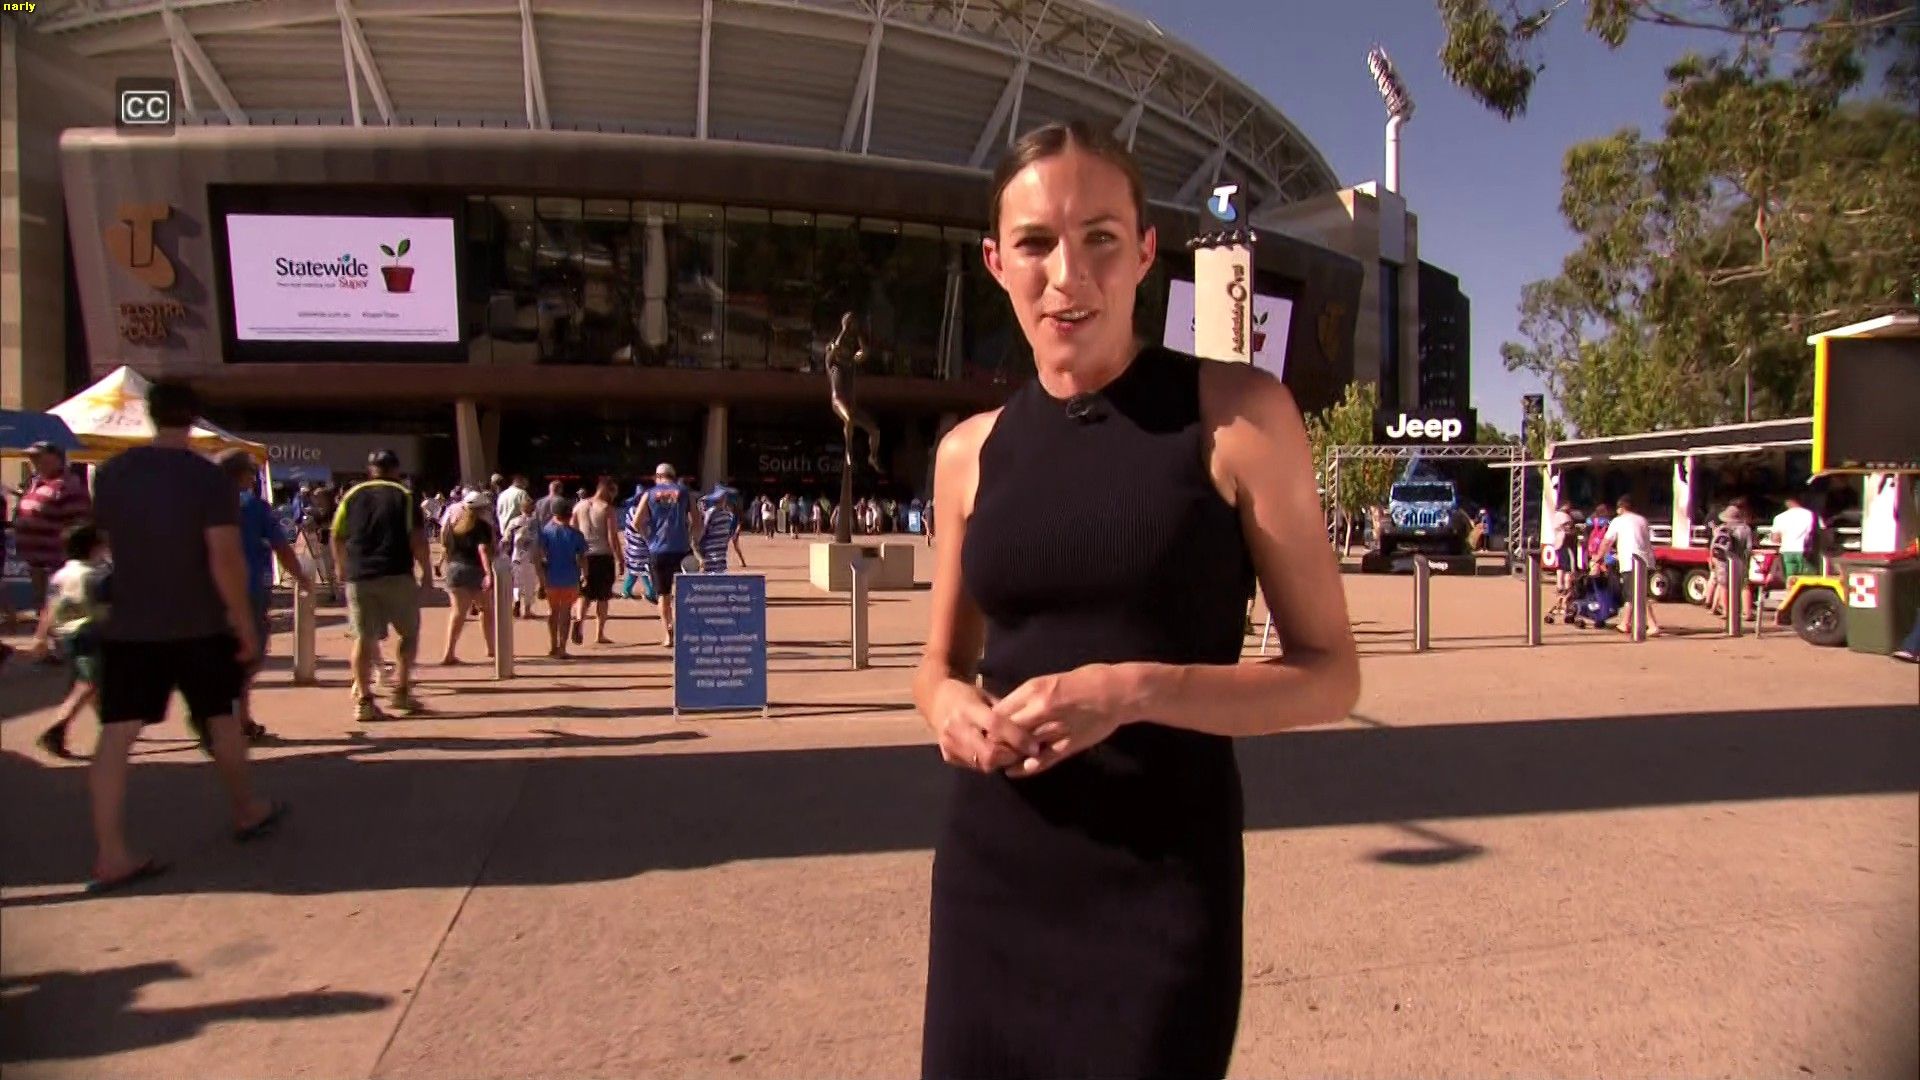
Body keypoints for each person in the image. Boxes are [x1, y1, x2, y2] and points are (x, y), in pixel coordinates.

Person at [912, 120, 1361, 1079]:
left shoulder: (1238, 418)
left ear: (1149, 253)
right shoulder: (968, 453)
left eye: (1101, 238)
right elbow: (938, 668)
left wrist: (1132, 691)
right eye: (1036, 243)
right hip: (991, 883)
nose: (1067, 275)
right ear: (996, 263)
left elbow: (1330, 677)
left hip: (1160, 894)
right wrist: (950, 710)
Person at [87, 379, 286, 894]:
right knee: (220, 719)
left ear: (150, 414)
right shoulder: (207, 478)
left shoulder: (111, 474)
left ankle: (110, 854)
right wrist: (243, 621)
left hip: (132, 622)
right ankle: (245, 809)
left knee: (116, 735)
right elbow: (224, 557)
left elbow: (108, 544)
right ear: (194, 418)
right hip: (199, 622)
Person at [218, 449, 313, 745]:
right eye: (251, 472)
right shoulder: (255, 507)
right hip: (249, 590)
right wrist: (301, 577)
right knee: (249, 655)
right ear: (242, 475)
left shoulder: (201, 506)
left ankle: (227, 718)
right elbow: (281, 547)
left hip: (212, 592)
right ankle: (238, 720)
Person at [332, 449, 433, 721]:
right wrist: (427, 573)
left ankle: (364, 700)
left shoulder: (351, 495)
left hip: (360, 575)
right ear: (396, 470)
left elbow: (337, 534)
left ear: (370, 470)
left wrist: (341, 567)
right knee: (408, 633)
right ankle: (402, 691)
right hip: (396, 572)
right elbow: (417, 538)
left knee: (363, 638)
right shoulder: (405, 496)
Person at [27, 523, 110, 760]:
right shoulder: (96, 577)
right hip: (92, 635)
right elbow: (107, 611)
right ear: (94, 548)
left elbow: (51, 607)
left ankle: (110, 722)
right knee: (88, 684)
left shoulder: (62, 574)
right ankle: (56, 729)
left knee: (88, 682)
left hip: (68, 636)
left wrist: (40, 636)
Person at [13, 441, 93, 621]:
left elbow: (79, 524)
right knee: (42, 607)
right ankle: (45, 634)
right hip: (35, 560)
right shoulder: (35, 482)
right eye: (32, 458)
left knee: (56, 608)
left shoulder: (68, 485)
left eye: (39, 457)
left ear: (56, 458)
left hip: (55, 561)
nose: (34, 461)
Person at [632, 463, 702, 647]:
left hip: (658, 550)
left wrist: (648, 539)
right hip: (682, 549)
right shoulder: (685, 492)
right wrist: (693, 539)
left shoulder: (649, 494)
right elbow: (697, 521)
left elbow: (636, 522)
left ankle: (668, 634)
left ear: (658, 476)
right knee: (685, 592)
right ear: (673, 475)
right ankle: (684, 629)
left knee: (663, 594)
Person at [437, 491, 497, 664]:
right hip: (475, 570)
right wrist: (488, 573)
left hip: (455, 569)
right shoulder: (482, 526)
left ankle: (449, 652)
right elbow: (483, 550)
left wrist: (442, 563)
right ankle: (491, 648)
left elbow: (445, 544)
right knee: (485, 609)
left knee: (457, 612)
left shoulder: (455, 524)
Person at [1593, 494, 1663, 636]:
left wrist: (1598, 557)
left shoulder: (1618, 521)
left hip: (1631, 561)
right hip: (1647, 561)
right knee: (1631, 593)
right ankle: (1625, 623)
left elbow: (1607, 541)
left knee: (1638, 594)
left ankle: (1652, 625)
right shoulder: (1642, 520)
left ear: (1621, 508)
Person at [571, 477, 623, 645]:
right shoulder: (607, 508)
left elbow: (572, 530)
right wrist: (620, 558)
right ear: (608, 490)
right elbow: (612, 536)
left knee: (583, 593)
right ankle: (599, 633)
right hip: (603, 555)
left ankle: (579, 619)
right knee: (603, 596)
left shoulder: (579, 506)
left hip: (583, 555)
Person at [535, 497, 589, 660]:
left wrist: (541, 579)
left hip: (551, 577)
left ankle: (553, 645)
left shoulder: (545, 532)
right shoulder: (576, 534)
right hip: (570, 577)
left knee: (553, 612)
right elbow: (582, 557)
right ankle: (562, 647)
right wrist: (585, 574)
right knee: (565, 612)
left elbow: (539, 556)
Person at [1707, 503, 1755, 622]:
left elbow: (1714, 545)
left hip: (1723, 560)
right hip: (1740, 560)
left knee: (1724, 585)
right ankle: (1747, 612)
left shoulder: (1721, 528)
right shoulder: (1746, 529)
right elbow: (1749, 548)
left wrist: (1712, 558)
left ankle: (1726, 611)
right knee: (1744, 586)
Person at [697, 482, 746, 573]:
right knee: (712, 573)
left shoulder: (727, 514)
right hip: (711, 552)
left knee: (719, 572)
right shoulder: (713, 513)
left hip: (721, 552)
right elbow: (704, 531)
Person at [1769, 492, 1819, 580]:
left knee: (1790, 581)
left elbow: (1775, 539)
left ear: (1787, 502)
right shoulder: (1810, 514)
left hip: (1787, 552)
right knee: (1807, 580)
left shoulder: (1779, 517)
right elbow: (1816, 534)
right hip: (1805, 552)